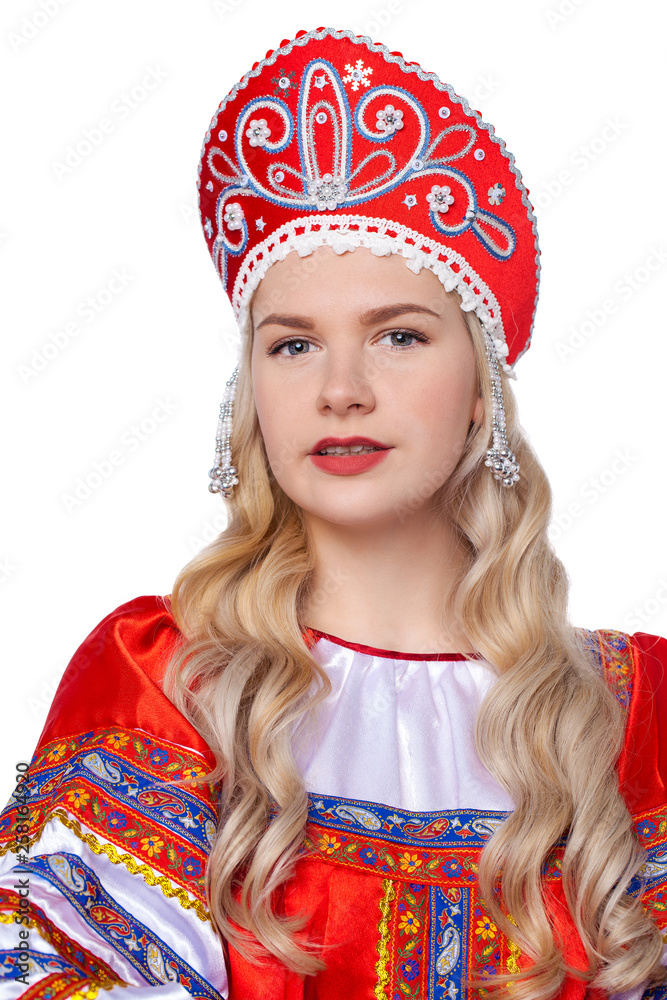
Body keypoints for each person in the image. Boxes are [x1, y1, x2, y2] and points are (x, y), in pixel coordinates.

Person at [1, 25, 665, 1000]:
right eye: (293, 345)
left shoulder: (631, 709)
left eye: (398, 336)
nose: (340, 389)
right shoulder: (167, 683)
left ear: (479, 390)